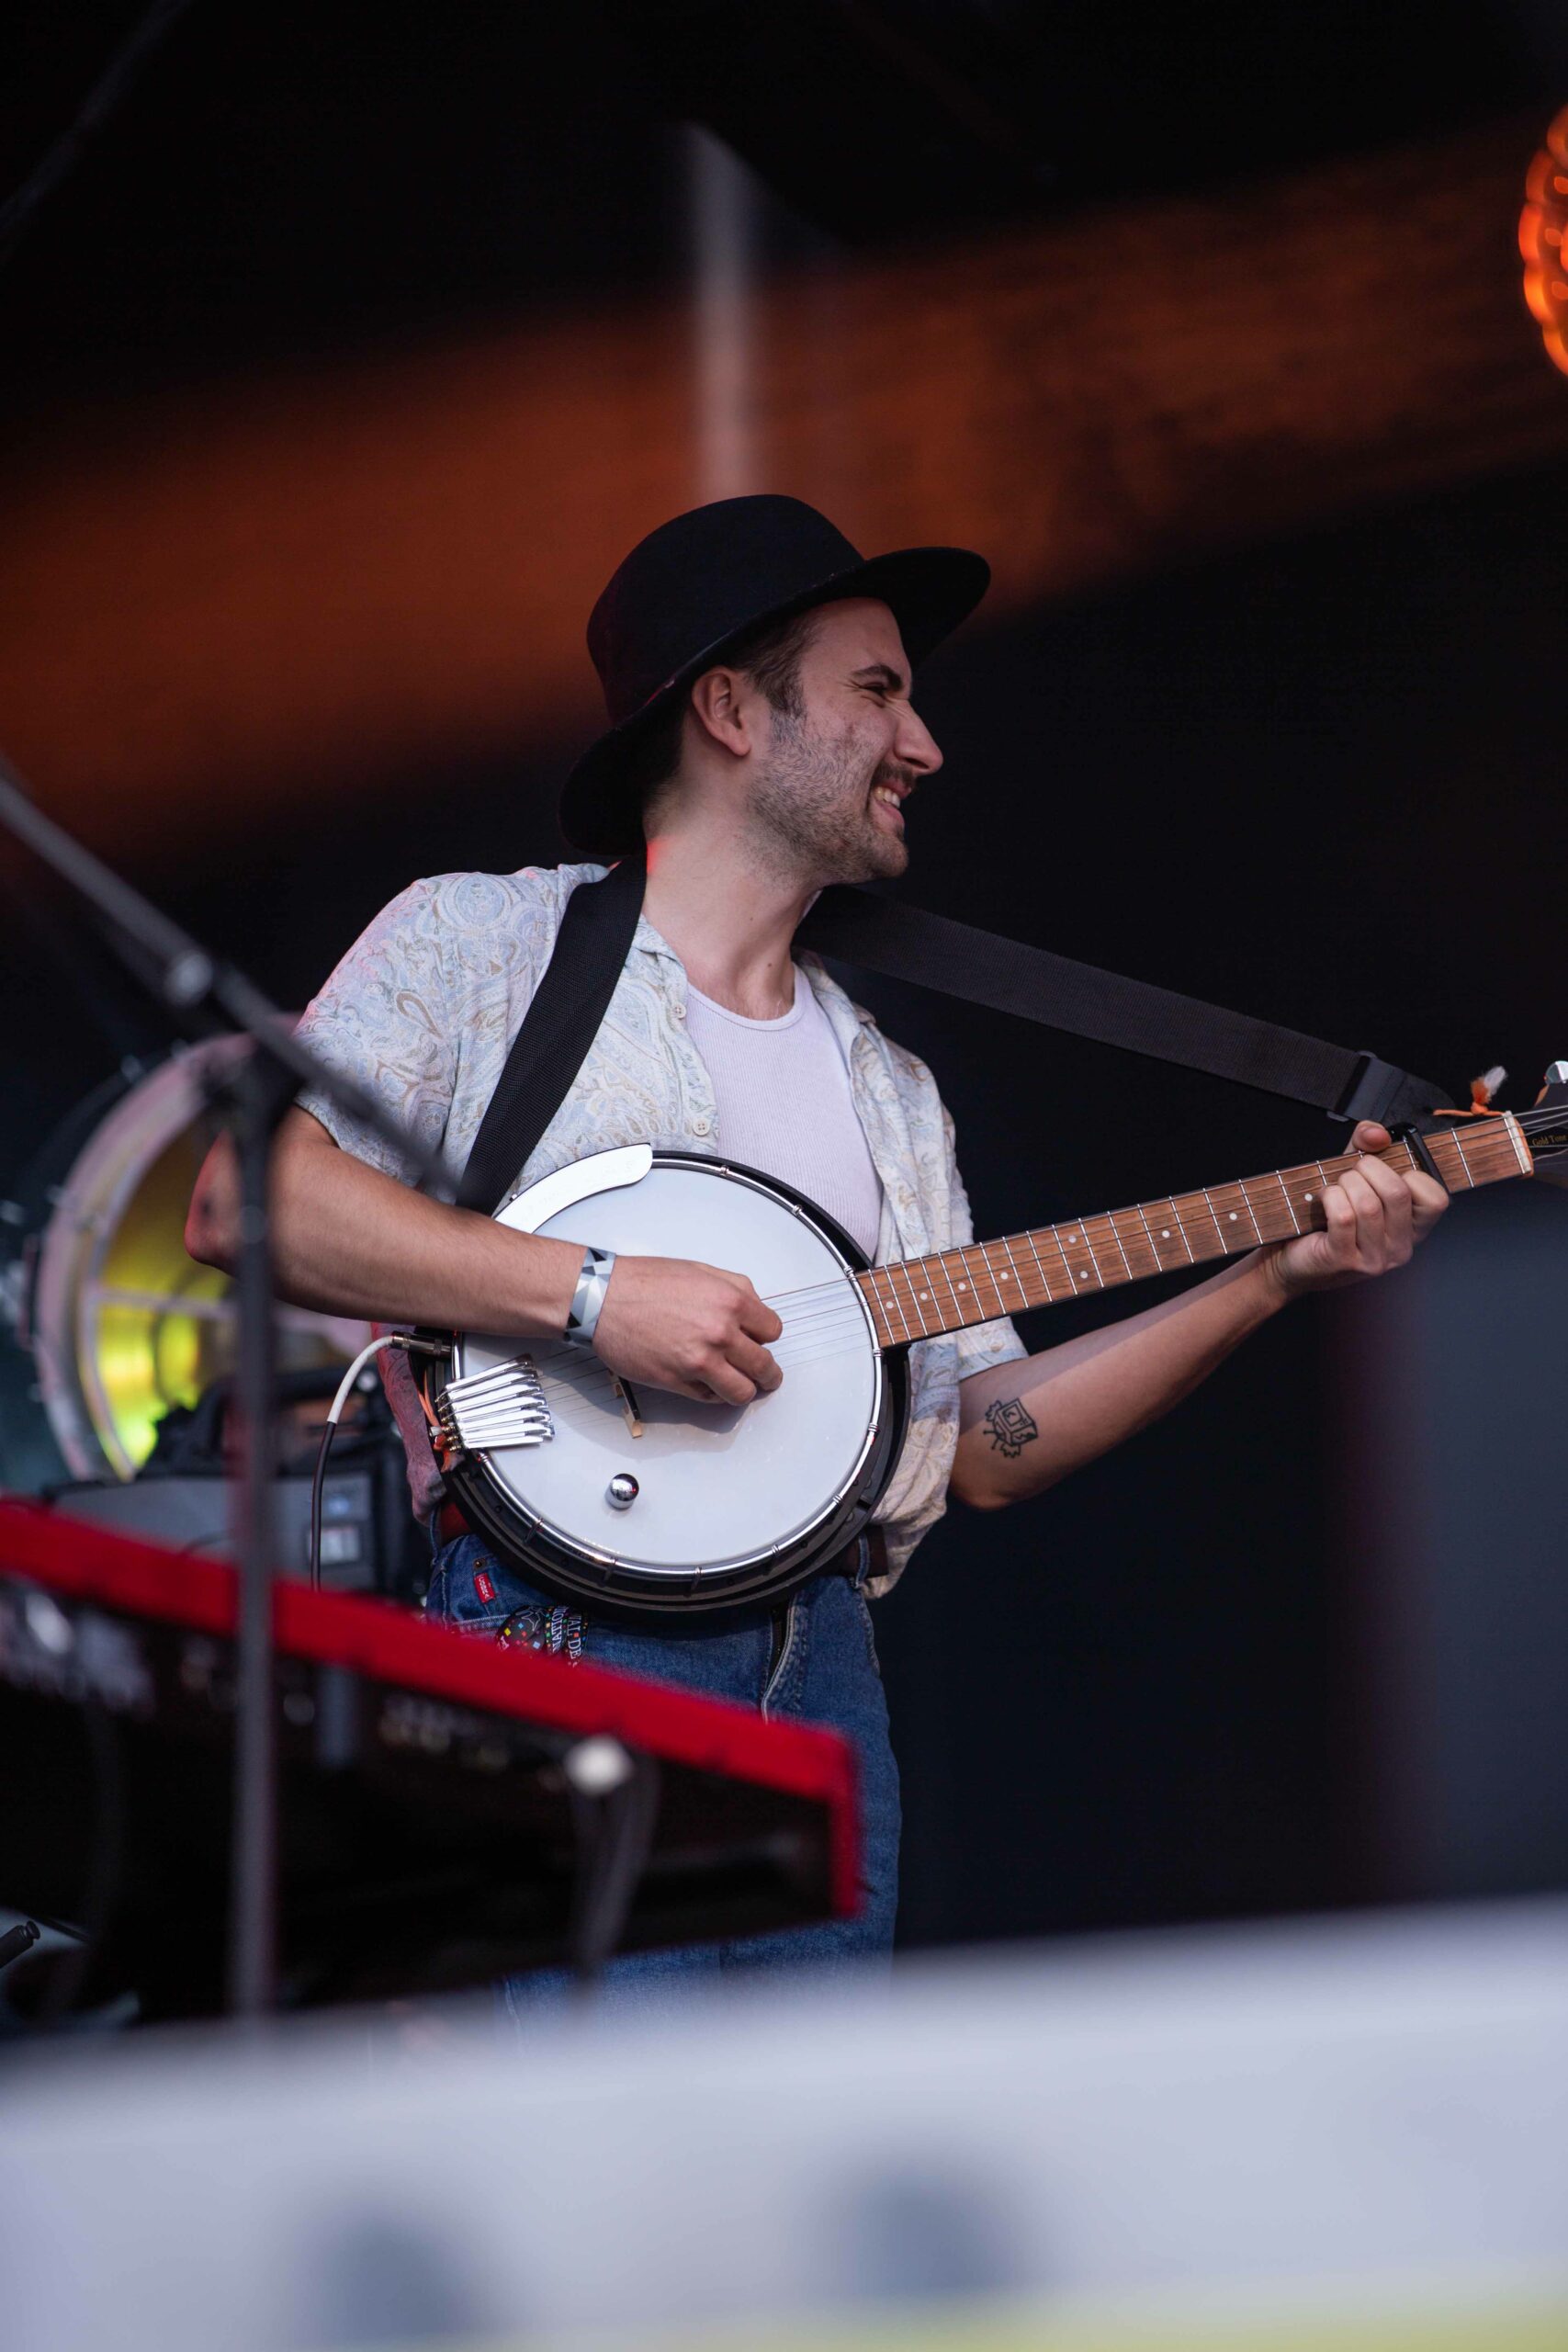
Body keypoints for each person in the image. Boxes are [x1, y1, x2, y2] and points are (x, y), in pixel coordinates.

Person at [186, 495, 1447, 2000]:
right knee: (598, 2129)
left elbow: (987, 1444)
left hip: (824, 1674)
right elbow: (245, 1203)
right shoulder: (482, 947)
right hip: (552, 1640)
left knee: (799, 2143)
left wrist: (1274, 1273)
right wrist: (594, 1297)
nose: (925, 745)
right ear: (729, 709)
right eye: (878, 690)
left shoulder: (890, 1091)